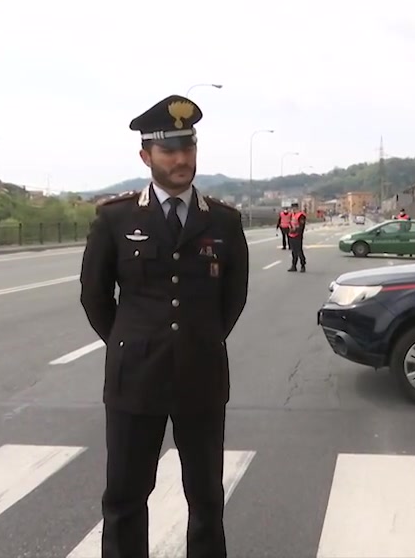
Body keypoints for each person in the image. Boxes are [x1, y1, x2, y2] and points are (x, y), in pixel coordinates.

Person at [79, 94, 250, 558]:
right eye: (170, 150)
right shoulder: (116, 219)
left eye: (188, 148)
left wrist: (201, 338)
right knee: (125, 498)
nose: (181, 159)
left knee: (207, 499)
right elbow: (95, 297)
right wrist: (129, 341)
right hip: (135, 378)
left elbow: (232, 299)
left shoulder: (225, 222)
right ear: (146, 156)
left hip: (202, 376)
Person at [287, 201, 306, 272]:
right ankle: (294, 266)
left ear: (297, 208)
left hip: (298, 235)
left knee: (299, 251)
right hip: (291, 235)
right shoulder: (292, 215)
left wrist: (297, 232)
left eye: (294, 208)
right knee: (293, 252)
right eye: (292, 208)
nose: (293, 209)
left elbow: (301, 226)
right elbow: (290, 223)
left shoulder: (301, 215)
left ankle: (303, 265)